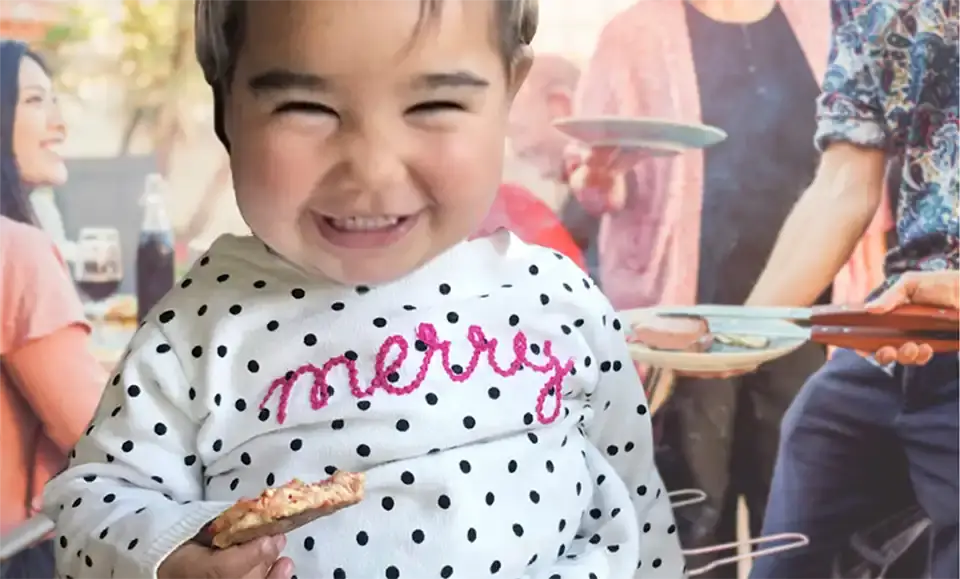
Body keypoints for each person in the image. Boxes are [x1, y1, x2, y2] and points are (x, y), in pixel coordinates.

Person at [42, 2, 684, 579]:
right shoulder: (202, 327)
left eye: (434, 105)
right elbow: (90, 503)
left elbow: (638, 503)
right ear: (224, 108)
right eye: (307, 108)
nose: (372, 167)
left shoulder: (560, 299)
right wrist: (171, 556)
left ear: (509, 95)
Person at [569, 2, 892, 575]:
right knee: (693, 513)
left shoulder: (830, 21)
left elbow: (862, 167)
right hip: (691, 324)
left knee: (799, 511)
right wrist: (599, 175)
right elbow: (594, 188)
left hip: (806, 318)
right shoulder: (635, 34)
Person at [0, 39, 107, 576]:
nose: (60, 124)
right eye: (36, 100)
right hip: (20, 551)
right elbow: (97, 434)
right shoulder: (15, 250)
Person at [504, 53, 602, 281]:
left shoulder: (598, 198)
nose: (517, 150)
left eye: (518, 131)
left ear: (560, 107)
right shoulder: (579, 201)